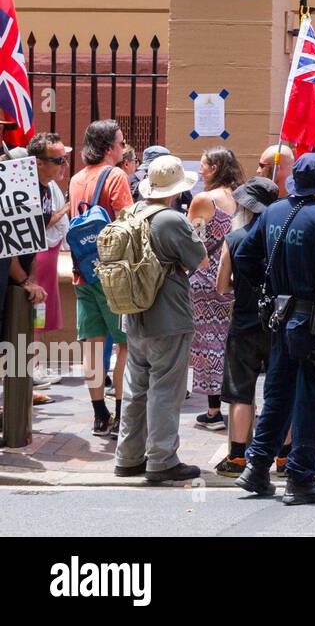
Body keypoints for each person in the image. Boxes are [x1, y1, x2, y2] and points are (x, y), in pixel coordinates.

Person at [234, 154, 315, 505]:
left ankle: (257, 466)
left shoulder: (273, 212)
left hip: (280, 315)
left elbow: (245, 258)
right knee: (313, 397)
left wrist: (268, 287)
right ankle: (301, 475)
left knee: (279, 392)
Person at [112, 155, 208, 484]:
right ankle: (162, 458)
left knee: (136, 387)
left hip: (133, 313)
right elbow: (201, 260)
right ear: (175, 189)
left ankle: (127, 456)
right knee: (166, 388)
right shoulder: (171, 220)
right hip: (167, 316)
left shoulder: (133, 211)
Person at [213, 176, 282, 478]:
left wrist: (240, 288)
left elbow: (220, 286)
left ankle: (237, 457)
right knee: (280, 391)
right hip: (278, 321)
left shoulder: (235, 238)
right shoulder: (282, 236)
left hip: (244, 322)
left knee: (242, 393)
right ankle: (284, 457)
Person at [69, 119, 134, 436]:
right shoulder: (117, 175)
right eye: (121, 143)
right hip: (112, 277)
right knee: (125, 346)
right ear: (109, 148)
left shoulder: (76, 178)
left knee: (93, 347)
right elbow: (128, 221)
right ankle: (122, 414)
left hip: (82, 275)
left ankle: (99, 415)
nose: (123, 149)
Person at [188, 146, 244, 431]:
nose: (200, 171)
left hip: (206, 279)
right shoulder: (241, 198)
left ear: (216, 168)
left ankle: (213, 411)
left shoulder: (203, 200)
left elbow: (192, 241)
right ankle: (236, 402)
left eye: (204, 166)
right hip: (234, 280)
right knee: (228, 342)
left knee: (208, 342)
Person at [27, 132, 71, 398]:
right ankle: (33, 367)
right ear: (39, 162)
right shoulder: (32, 187)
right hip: (38, 257)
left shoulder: (48, 186)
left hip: (45, 254)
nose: (62, 164)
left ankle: (36, 365)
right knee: (36, 313)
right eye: (57, 160)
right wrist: (65, 209)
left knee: (39, 312)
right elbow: (42, 222)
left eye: (63, 159)